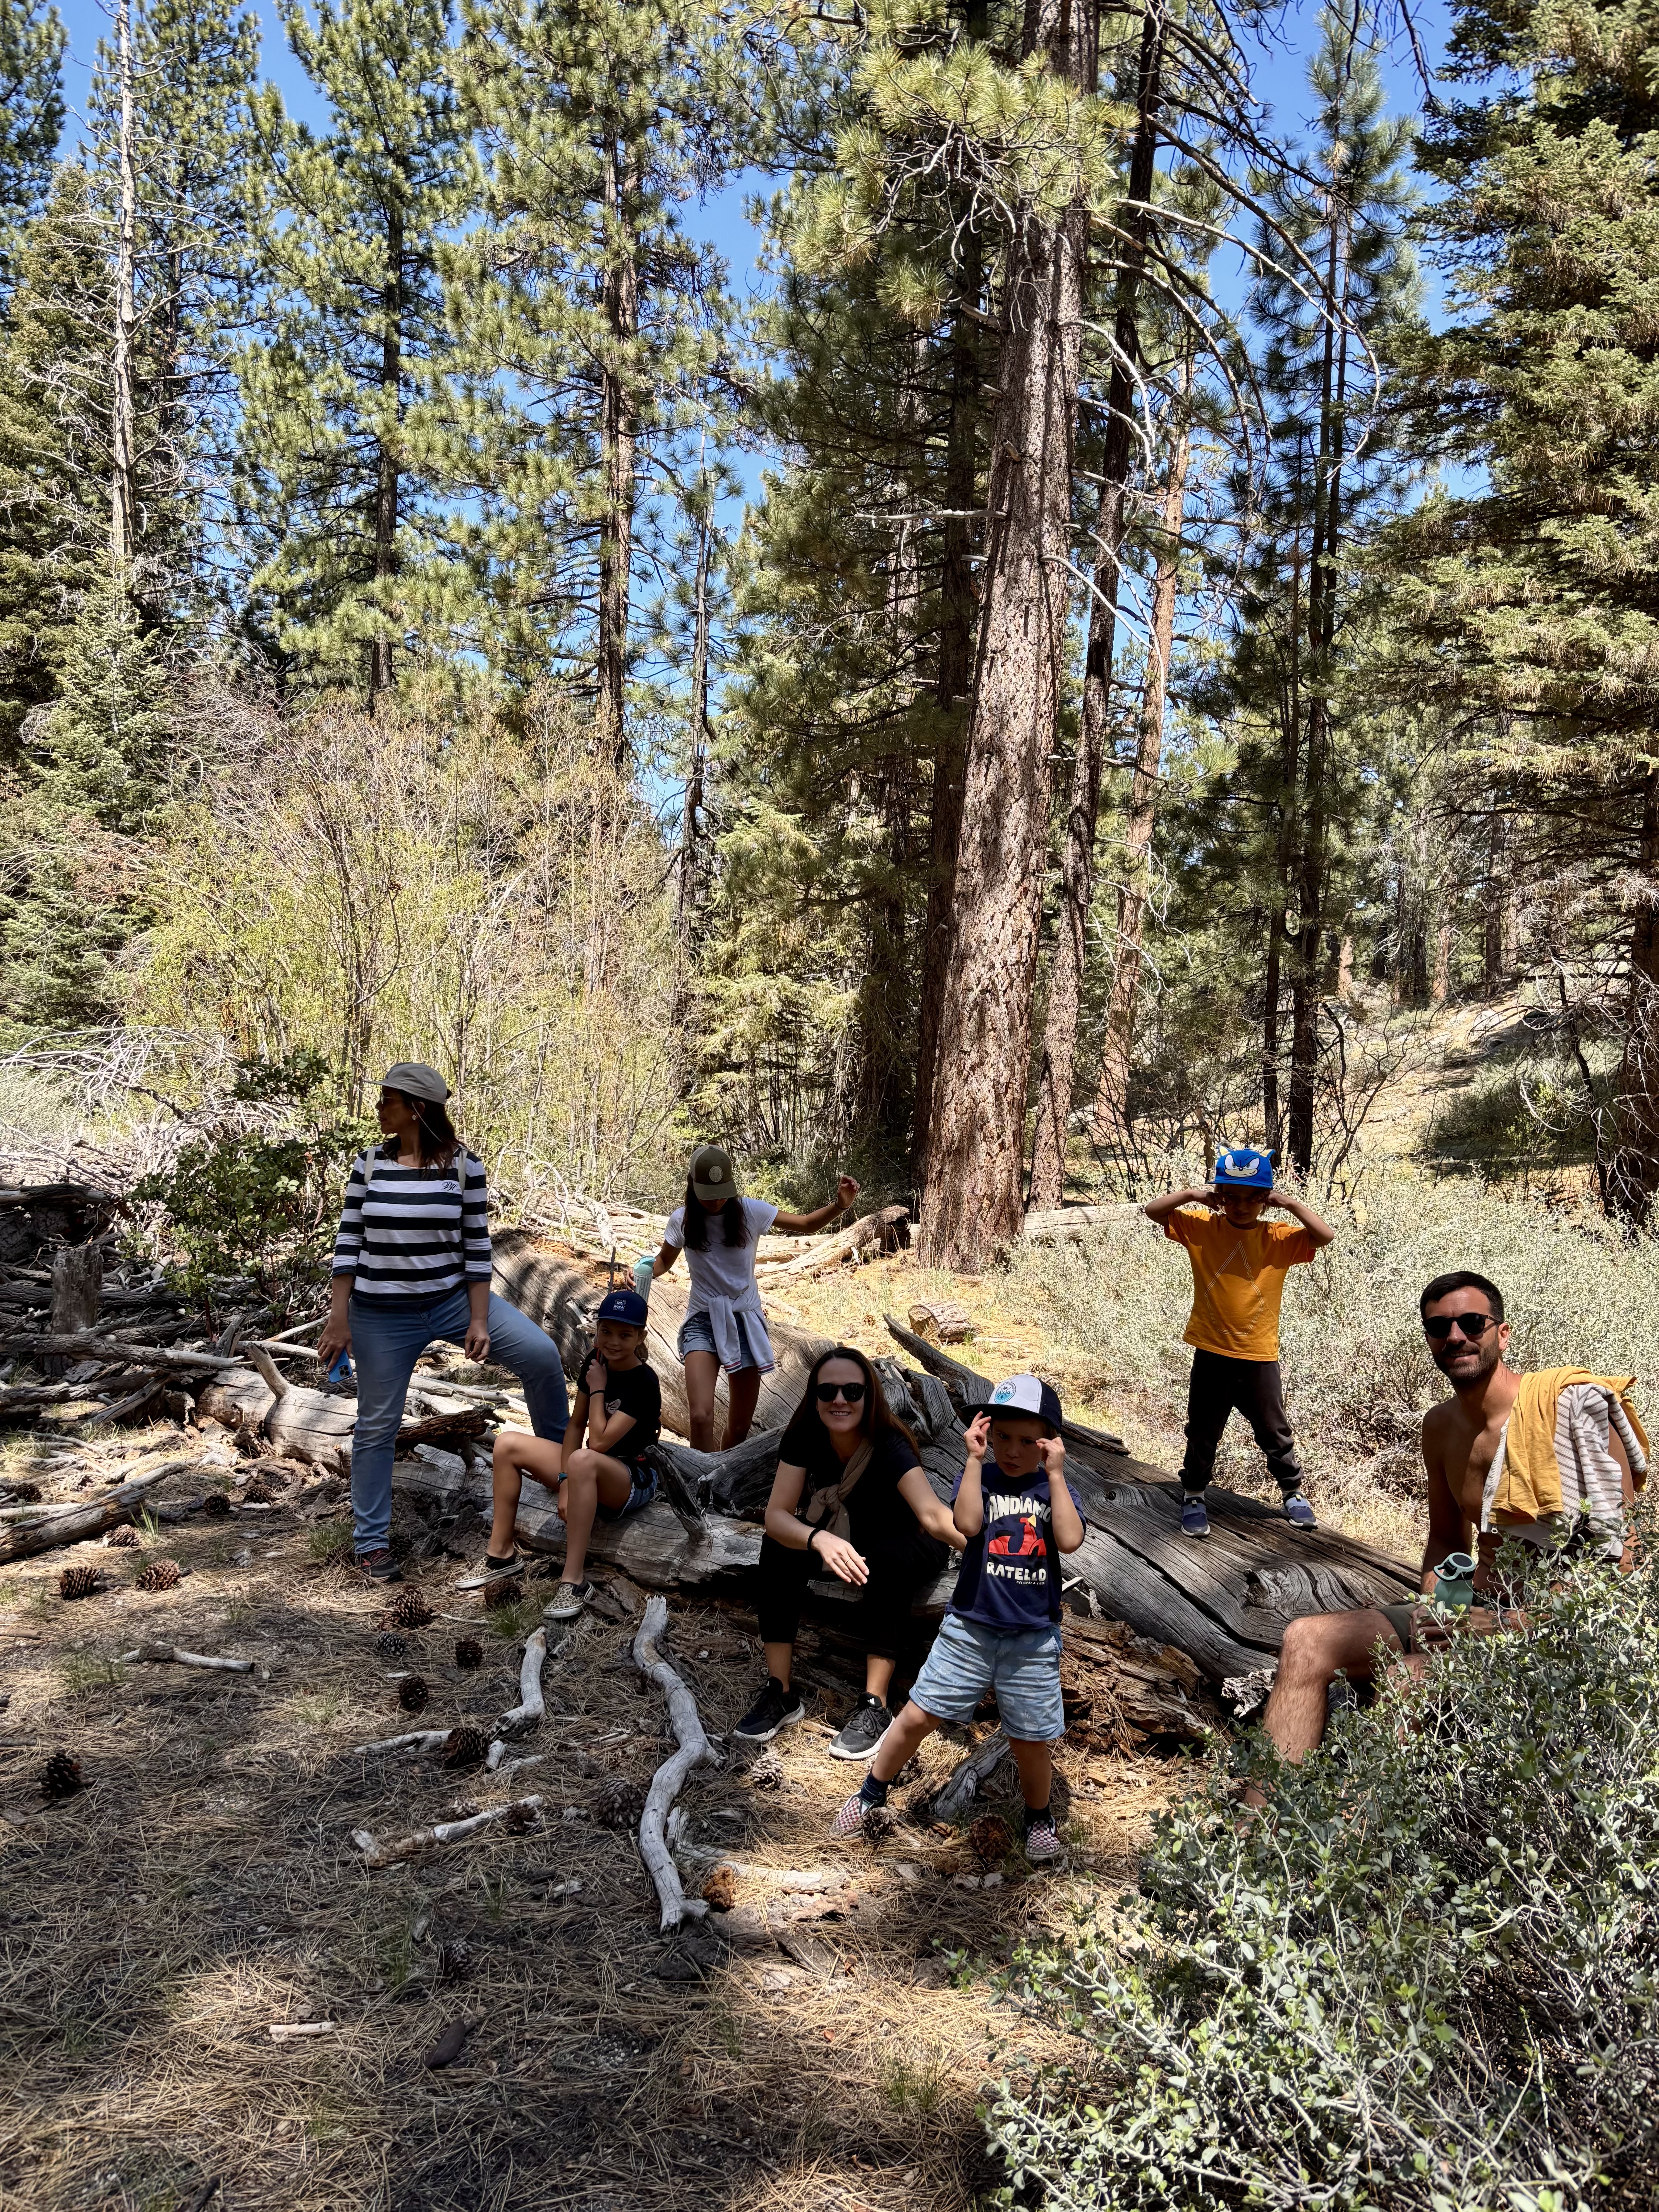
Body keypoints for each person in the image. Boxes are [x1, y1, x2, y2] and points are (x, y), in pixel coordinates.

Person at [1256, 1269, 1648, 1770]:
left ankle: (1356, 1839)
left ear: (1502, 1333)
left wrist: (1508, 1624)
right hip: (1478, 1605)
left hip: (1562, 1623)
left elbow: (1622, 1566)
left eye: (1472, 1322)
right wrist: (1443, 1610)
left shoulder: (1571, 1405)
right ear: (1429, 1342)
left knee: (1406, 1680)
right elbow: (1447, 1540)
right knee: (1305, 1640)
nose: (1456, 1336)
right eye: (1440, 1327)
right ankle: (1259, 1834)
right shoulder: (1440, 1427)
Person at [317, 1063, 570, 1584]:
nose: (379, 1109)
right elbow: (348, 1246)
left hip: (452, 1302)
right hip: (380, 1314)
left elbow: (477, 1249)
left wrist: (479, 1318)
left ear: (417, 1109)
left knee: (542, 1357)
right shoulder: (368, 1166)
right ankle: (371, 1542)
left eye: (388, 1100)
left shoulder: (463, 1168)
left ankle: (565, 1474)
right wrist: (338, 1318)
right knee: (377, 1426)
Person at [832, 1374, 1086, 1866]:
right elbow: (967, 1525)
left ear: (1049, 1443)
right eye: (1002, 1438)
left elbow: (1070, 1540)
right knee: (919, 1714)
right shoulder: (984, 1478)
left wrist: (1055, 1476)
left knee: (1030, 1738)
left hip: (1031, 1637)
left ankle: (1039, 1819)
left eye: (1026, 1441)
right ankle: (870, 1793)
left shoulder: (1054, 1488)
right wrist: (973, 1461)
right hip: (970, 1627)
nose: (1011, 1451)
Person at [733, 1344, 963, 1758]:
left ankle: (876, 1704)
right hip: (843, 1539)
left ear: (869, 1396)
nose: (840, 1400)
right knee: (779, 1546)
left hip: (907, 1540)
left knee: (889, 1558)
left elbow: (931, 1515)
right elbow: (778, 1515)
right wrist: (816, 1538)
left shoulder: (887, 1442)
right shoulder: (805, 1435)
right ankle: (781, 1691)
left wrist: (991, 1551)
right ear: (814, 1396)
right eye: (828, 1392)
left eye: (853, 1392)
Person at [1144, 1147, 1335, 1541]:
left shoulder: (1278, 1237)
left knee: (1274, 1430)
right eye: (1232, 1196)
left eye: (1253, 1197)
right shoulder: (1203, 1228)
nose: (1242, 1205)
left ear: (1266, 1199)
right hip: (1211, 1353)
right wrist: (1193, 1195)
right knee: (1202, 1431)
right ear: (1220, 1196)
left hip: (1259, 1357)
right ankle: (1195, 1493)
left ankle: (1292, 1492)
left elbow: (1325, 1236)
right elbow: (1153, 1210)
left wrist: (1290, 1203)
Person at [643, 1144, 861, 1452]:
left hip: (744, 1321)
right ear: (693, 1187)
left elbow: (806, 1223)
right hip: (702, 1320)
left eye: (722, 1192)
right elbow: (664, 1261)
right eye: (709, 1193)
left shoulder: (750, 1212)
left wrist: (841, 1205)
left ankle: (721, 1477)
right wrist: (644, 1271)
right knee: (700, 1414)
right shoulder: (683, 1220)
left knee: (740, 1425)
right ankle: (698, 1484)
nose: (717, 1200)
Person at [465, 1288, 663, 1620]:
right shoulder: (595, 1360)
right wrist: (566, 1482)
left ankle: (574, 1581)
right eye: (606, 1332)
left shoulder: (643, 1382)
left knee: (584, 1458)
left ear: (641, 1336)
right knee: (507, 1443)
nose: (613, 1342)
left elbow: (599, 1442)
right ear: (596, 1330)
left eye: (625, 1335)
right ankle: (501, 1554)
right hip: (587, 1469)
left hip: (632, 1476)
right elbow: (575, 1428)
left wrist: (599, 1386)